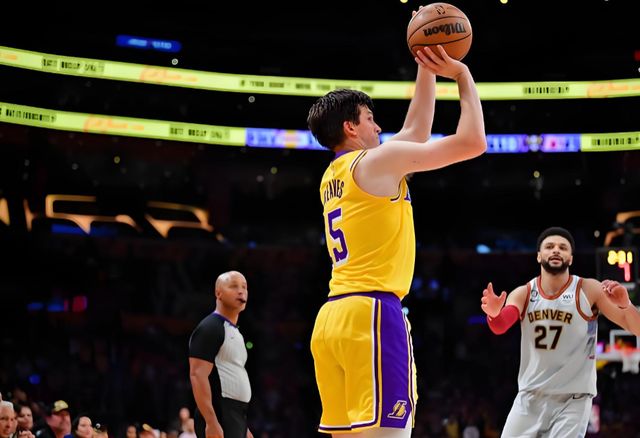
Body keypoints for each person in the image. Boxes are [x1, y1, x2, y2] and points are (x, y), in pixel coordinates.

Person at [307, 9, 487, 436]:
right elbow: (473, 142)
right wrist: (462, 76)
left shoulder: (335, 174)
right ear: (350, 127)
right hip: (371, 312)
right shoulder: (375, 163)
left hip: (332, 318)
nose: (379, 126)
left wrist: (426, 64)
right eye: (370, 119)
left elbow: (416, 131)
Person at [480, 226, 640, 437]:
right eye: (549, 246)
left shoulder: (588, 289)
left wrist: (626, 305)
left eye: (563, 247)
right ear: (539, 256)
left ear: (570, 258)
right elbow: (500, 325)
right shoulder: (523, 293)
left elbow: (633, 326)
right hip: (530, 398)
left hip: (573, 401)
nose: (556, 250)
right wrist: (493, 314)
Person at [188, 271, 254, 438]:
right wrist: (211, 421)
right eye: (233, 286)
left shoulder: (233, 331)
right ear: (218, 293)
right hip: (220, 414)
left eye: (244, 287)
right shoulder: (210, 327)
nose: (241, 291)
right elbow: (197, 375)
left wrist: (243, 426)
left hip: (234, 415)